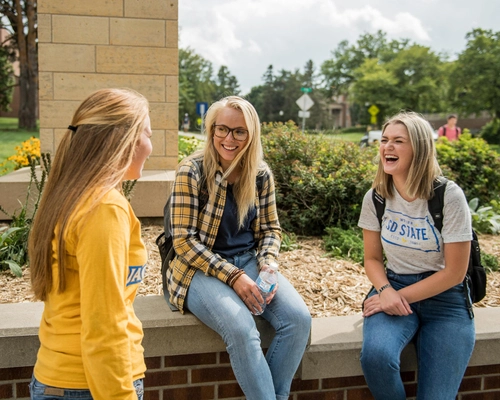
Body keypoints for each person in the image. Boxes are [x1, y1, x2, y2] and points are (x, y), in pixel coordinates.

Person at [166, 96, 311, 400]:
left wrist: (269, 262)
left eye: (239, 132)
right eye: (222, 129)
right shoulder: (191, 171)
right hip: (197, 269)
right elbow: (183, 241)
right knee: (242, 329)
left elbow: (271, 229)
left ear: (251, 135)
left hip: (248, 260)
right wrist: (233, 276)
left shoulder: (260, 175)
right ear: (212, 130)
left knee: (298, 320)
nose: (229, 139)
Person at [28, 88, 153, 400]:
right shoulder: (103, 208)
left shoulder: (72, 195)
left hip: (62, 378)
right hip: (90, 387)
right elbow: (104, 324)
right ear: (125, 140)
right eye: (148, 134)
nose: (151, 148)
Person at [358, 111, 475, 400]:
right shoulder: (376, 196)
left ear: (420, 149)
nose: (387, 147)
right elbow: (372, 259)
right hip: (394, 284)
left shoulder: (448, 196)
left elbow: (454, 273)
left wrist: (398, 298)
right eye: (384, 140)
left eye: (399, 141)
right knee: (376, 357)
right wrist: (386, 290)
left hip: (446, 299)